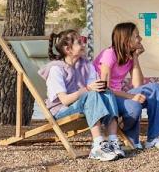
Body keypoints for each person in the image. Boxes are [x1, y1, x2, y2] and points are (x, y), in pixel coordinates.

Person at [39, 30, 124, 161]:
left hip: (83, 105)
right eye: (79, 42)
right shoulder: (56, 69)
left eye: (83, 41)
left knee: (107, 92)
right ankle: (98, 145)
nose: (84, 44)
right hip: (62, 111)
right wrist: (88, 89)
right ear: (68, 49)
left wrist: (99, 88)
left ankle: (113, 141)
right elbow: (65, 100)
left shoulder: (86, 65)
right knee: (91, 94)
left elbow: (95, 89)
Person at [94, 22, 159, 151]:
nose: (140, 39)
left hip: (118, 96)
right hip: (105, 98)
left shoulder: (128, 56)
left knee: (156, 88)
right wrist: (131, 96)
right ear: (126, 39)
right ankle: (131, 139)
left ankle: (153, 138)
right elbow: (104, 88)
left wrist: (135, 57)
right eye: (137, 36)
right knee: (134, 104)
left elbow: (138, 84)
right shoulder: (109, 54)